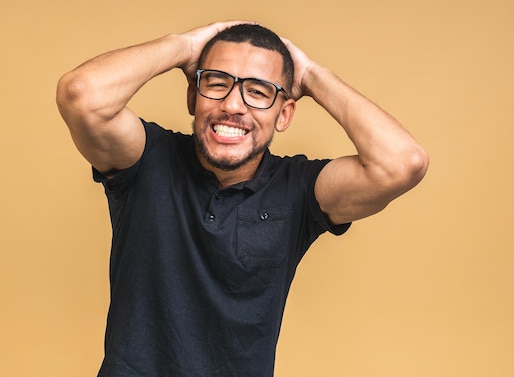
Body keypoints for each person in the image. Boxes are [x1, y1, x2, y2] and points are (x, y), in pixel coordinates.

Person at [56, 20, 428, 377]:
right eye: (216, 83)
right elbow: (81, 94)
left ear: (284, 115)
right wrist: (184, 46)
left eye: (258, 91)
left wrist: (311, 74)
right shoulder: (146, 159)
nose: (233, 105)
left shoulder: (298, 189)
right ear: (192, 96)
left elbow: (403, 163)